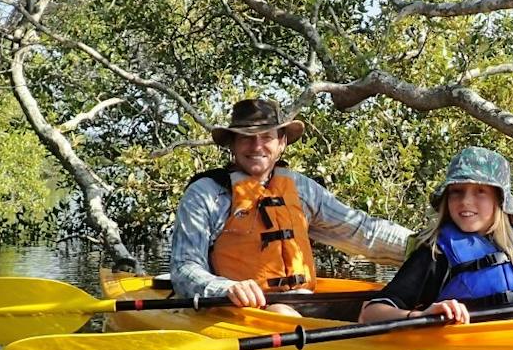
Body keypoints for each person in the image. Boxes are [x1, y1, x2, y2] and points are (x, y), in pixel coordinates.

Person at [170, 98, 412, 311]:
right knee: (283, 313)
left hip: (301, 303)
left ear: (282, 143)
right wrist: (225, 289)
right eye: (246, 138)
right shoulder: (206, 194)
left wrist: (425, 245)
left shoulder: (301, 188)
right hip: (242, 310)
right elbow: (184, 268)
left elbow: (362, 230)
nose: (257, 146)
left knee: (375, 308)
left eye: (266, 137)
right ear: (232, 144)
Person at [359, 146, 513, 325]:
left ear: (499, 200)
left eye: (480, 191)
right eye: (457, 192)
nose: (465, 202)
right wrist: (420, 316)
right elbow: (371, 313)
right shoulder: (436, 254)